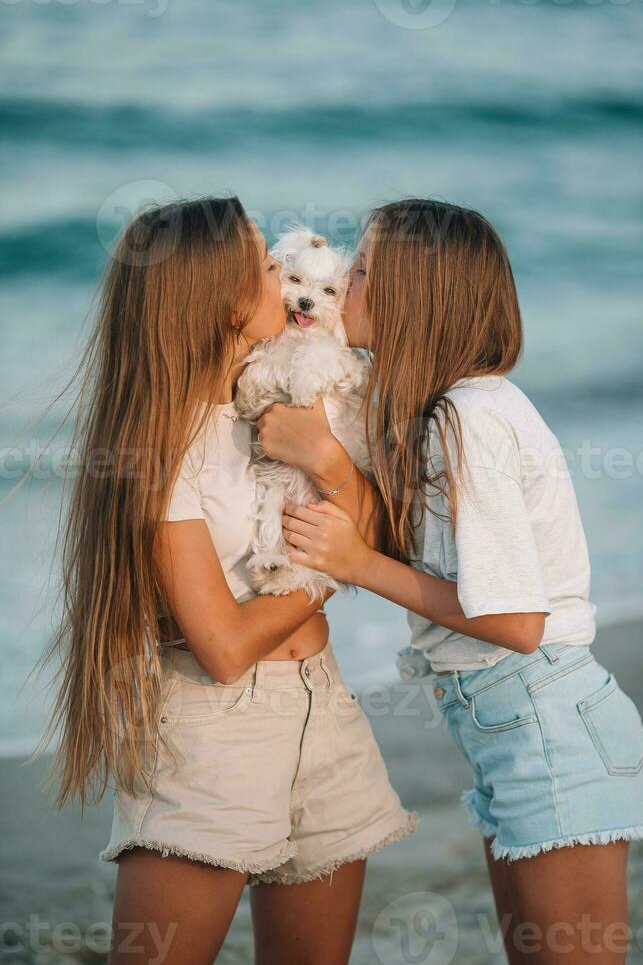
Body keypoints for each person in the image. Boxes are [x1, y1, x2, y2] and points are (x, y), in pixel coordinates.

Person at [33, 197, 456, 965]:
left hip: (323, 705)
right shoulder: (165, 449)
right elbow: (226, 648)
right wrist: (341, 569)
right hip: (210, 725)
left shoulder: (285, 409)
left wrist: (329, 467)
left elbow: (386, 533)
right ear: (224, 299)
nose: (287, 279)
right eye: (268, 266)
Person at [259, 198, 643, 964]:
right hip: (518, 723)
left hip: (546, 726)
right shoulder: (447, 411)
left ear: (416, 297)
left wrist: (357, 564)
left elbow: (515, 622)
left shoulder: (465, 418)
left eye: (364, 272)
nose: (346, 281)